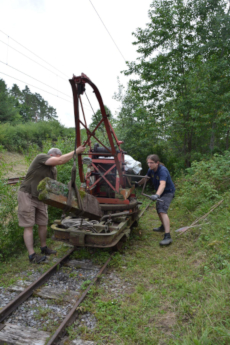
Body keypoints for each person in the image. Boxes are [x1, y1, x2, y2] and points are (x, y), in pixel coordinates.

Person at [18, 146, 86, 263]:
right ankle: (32, 255)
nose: (56, 164)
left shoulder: (53, 170)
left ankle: (44, 248)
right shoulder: (41, 158)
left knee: (43, 223)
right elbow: (61, 160)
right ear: (50, 156)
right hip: (27, 195)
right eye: (56, 159)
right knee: (28, 225)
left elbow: (53, 186)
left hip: (41, 197)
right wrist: (76, 152)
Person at [135, 154, 175, 246]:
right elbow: (146, 178)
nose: (149, 165)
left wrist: (157, 195)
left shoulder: (162, 170)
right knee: (158, 209)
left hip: (168, 192)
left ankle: (168, 236)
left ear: (157, 163)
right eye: (148, 163)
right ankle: (163, 226)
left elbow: (162, 184)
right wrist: (138, 184)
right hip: (161, 192)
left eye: (151, 163)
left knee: (162, 210)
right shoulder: (151, 170)